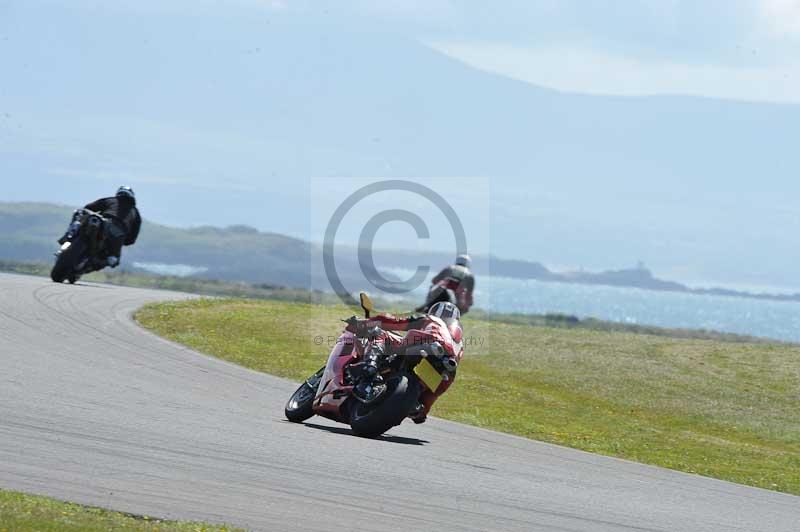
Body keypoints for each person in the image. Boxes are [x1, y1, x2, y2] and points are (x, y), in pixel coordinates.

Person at [347, 301, 464, 424]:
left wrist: (363, 324)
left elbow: (393, 321)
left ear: (434, 312)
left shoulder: (431, 319)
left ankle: (370, 365)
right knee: (424, 405)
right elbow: (434, 393)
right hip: (447, 371)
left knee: (380, 334)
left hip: (428, 344)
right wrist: (423, 411)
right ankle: (417, 406)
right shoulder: (459, 343)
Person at [82, 186, 142, 268]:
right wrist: (124, 241)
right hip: (118, 233)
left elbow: (88, 208)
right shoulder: (135, 212)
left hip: (102, 222)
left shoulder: (110, 200)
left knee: (112, 259)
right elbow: (132, 237)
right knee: (113, 259)